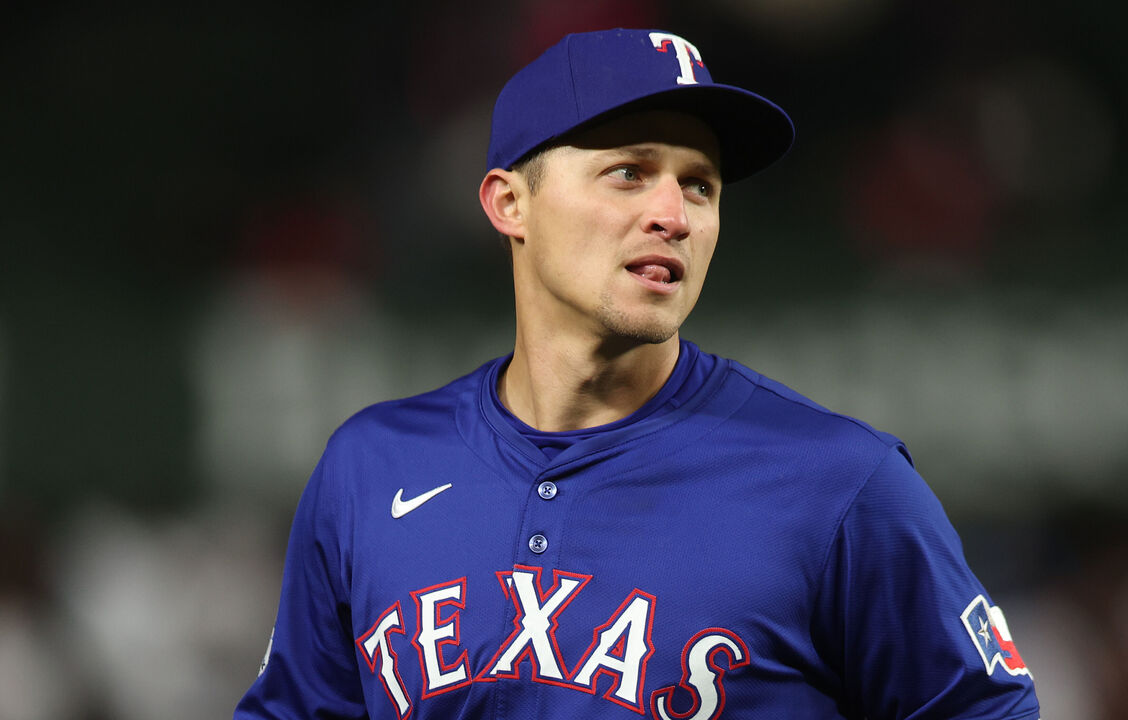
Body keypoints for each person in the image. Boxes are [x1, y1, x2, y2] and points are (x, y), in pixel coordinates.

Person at [235, 28, 1040, 720]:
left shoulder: (841, 485)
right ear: (510, 203)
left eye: (700, 185)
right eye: (629, 171)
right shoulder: (371, 467)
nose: (673, 215)